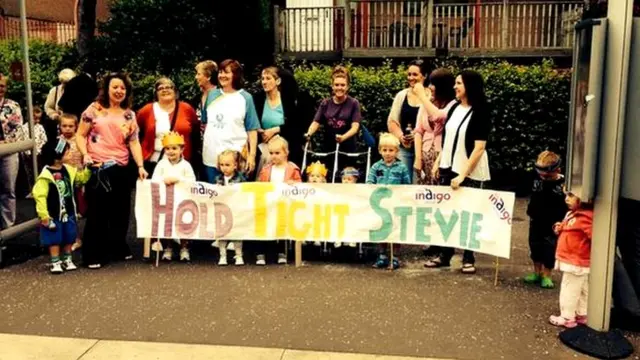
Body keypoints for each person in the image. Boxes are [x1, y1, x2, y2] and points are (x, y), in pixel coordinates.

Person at [76, 72, 148, 269]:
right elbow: (80, 135)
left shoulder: (129, 114)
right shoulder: (94, 109)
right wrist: (85, 154)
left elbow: (134, 142)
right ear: (106, 89)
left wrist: (140, 166)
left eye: (123, 88)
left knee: (121, 210)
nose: (119, 91)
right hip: (99, 166)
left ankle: (117, 246)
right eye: (115, 87)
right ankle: (93, 254)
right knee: (98, 211)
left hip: (122, 166)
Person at [423, 70, 491, 274]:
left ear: (469, 85)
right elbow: (448, 138)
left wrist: (462, 174)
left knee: (468, 213)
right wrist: (438, 161)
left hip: (468, 170)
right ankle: (445, 254)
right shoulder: (454, 108)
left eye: (459, 83)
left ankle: (469, 256)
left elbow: (479, 148)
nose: (455, 87)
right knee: (447, 212)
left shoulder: (480, 110)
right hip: (447, 166)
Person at [32, 138, 91, 274]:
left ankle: (68, 258)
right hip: (53, 214)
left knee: (69, 235)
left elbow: (80, 180)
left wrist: (88, 169)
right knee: (54, 238)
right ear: (57, 156)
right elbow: (39, 196)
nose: (70, 154)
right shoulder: (45, 176)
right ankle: (55, 261)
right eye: (67, 152)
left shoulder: (69, 170)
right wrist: (43, 215)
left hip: (69, 211)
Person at [201, 59, 260, 183]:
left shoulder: (246, 98)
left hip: (236, 160)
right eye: (220, 72)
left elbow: (252, 129)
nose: (222, 76)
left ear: (236, 75)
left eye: (226, 72)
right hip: (211, 158)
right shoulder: (211, 95)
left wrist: (252, 156)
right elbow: (205, 122)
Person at [304, 66, 362, 178]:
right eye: (336, 85)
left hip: (348, 149)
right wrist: (309, 134)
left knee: (348, 179)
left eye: (342, 85)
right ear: (332, 86)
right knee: (329, 179)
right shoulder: (325, 103)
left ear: (348, 87)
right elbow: (316, 122)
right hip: (328, 149)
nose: (339, 88)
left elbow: (355, 127)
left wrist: (343, 137)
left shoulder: (354, 103)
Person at [137, 77, 200, 176]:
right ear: (156, 93)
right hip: (153, 162)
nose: (165, 90)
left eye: (168, 87)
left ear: (175, 91)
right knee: (155, 191)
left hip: (181, 164)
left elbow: (195, 134)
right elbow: (137, 134)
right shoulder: (146, 110)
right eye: (160, 88)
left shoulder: (187, 108)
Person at [549, 190, 593, 328]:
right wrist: (560, 227)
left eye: (571, 195)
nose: (567, 199)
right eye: (567, 195)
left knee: (569, 289)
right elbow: (569, 226)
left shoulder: (586, 217)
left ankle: (567, 316)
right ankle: (582, 313)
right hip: (579, 260)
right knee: (583, 288)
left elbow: (594, 236)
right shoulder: (574, 214)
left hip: (575, 259)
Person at [366, 132, 411, 269]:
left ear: (397, 151)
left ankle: (395, 257)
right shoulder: (376, 167)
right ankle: (382, 256)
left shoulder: (402, 167)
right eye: (384, 150)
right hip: (380, 206)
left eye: (391, 150)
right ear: (380, 151)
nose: (388, 153)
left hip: (396, 205)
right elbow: (369, 182)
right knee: (382, 229)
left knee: (395, 231)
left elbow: (407, 185)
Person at [256, 136, 302, 265]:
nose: (273, 156)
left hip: (284, 205)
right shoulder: (266, 169)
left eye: (277, 153)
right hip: (268, 204)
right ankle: (261, 253)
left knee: (282, 227)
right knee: (264, 226)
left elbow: (300, 184)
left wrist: (293, 183)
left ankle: (282, 252)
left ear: (286, 152)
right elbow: (260, 185)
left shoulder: (292, 168)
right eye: (271, 153)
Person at [151, 131, 196, 262]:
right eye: (168, 149)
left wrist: (178, 179)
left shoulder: (186, 165)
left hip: (182, 201)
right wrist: (164, 180)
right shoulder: (161, 164)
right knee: (168, 224)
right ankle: (168, 247)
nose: (171, 152)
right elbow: (154, 180)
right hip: (166, 201)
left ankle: (184, 247)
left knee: (183, 224)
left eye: (174, 148)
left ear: (182, 149)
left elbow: (192, 181)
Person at [524, 150, 567, 289]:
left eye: (547, 176)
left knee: (549, 248)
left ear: (557, 170)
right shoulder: (536, 178)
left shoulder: (563, 184)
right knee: (534, 245)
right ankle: (537, 272)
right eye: (541, 174)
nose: (543, 178)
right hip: (536, 218)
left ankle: (547, 274)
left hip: (554, 221)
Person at [254, 66, 306, 172]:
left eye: (268, 78)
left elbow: (296, 125)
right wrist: (259, 130)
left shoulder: (289, 99)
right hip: (264, 146)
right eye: (262, 78)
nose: (264, 82)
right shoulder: (257, 99)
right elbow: (253, 122)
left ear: (278, 81)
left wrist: (276, 130)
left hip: (286, 144)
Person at [413, 68, 457, 185]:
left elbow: (438, 116)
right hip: (424, 154)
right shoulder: (428, 101)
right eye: (430, 83)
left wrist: (422, 97)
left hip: (442, 156)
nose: (430, 87)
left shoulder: (454, 105)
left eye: (434, 84)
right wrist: (418, 158)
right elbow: (418, 130)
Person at [387, 59, 428, 183]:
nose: (411, 78)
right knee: (403, 183)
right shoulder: (401, 95)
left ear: (424, 76)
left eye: (415, 74)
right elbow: (392, 121)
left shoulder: (431, 96)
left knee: (419, 184)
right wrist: (401, 137)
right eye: (409, 74)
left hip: (424, 149)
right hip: (405, 148)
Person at [0, 73, 25, 231]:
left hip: (8, 152)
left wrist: (6, 142)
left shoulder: (13, 105)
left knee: (8, 190)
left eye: (2, 86)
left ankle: (7, 228)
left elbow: (18, 129)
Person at [214, 150, 246, 266]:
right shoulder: (218, 178)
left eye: (227, 165)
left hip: (236, 210)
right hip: (223, 210)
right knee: (222, 234)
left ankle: (238, 255)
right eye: (222, 165)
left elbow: (245, 192)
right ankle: (223, 256)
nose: (224, 168)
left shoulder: (241, 178)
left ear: (235, 165)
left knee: (237, 234)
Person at [59, 114, 86, 251]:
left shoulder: (80, 141)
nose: (68, 129)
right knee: (69, 211)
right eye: (64, 126)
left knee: (80, 210)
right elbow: (56, 159)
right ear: (60, 126)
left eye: (71, 126)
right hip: (65, 181)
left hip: (80, 180)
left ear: (76, 127)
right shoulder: (59, 141)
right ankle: (75, 238)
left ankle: (81, 237)